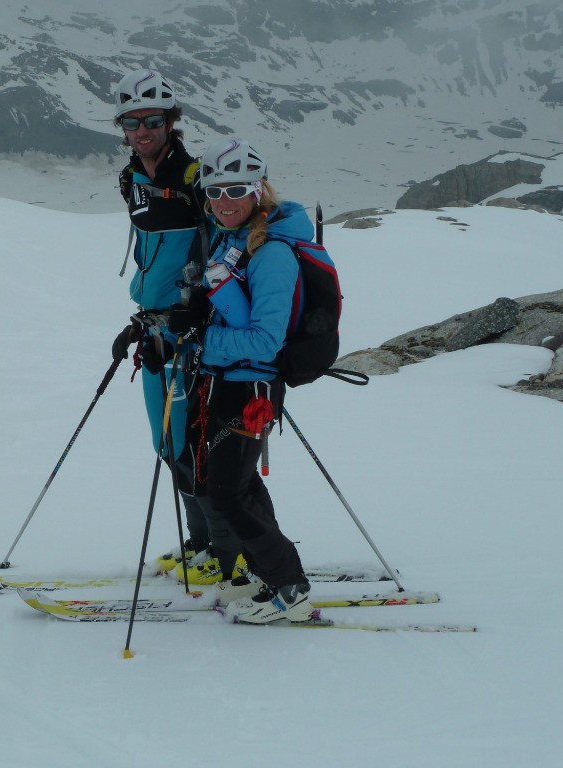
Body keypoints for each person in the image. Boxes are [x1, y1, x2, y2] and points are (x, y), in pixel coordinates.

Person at [167, 137, 314, 623]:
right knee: (239, 485)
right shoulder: (231, 239)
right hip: (223, 382)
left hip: (252, 388)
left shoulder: (272, 254)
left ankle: (290, 586)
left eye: (235, 190)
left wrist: (201, 340)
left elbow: (266, 340)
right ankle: (265, 571)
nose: (223, 201)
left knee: (227, 494)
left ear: (258, 190)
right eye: (215, 192)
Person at [108, 69, 244, 584]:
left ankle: (223, 553)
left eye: (152, 120)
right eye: (132, 122)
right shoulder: (132, 178)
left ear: (171, 121)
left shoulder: (193, 179)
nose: (142, 130)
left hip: (190, 333)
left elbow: (225, 244)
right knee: (168, 442)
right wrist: (143, 317)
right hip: (154, 328)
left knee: (193, 441)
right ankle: (201, 543)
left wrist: (199, 308)